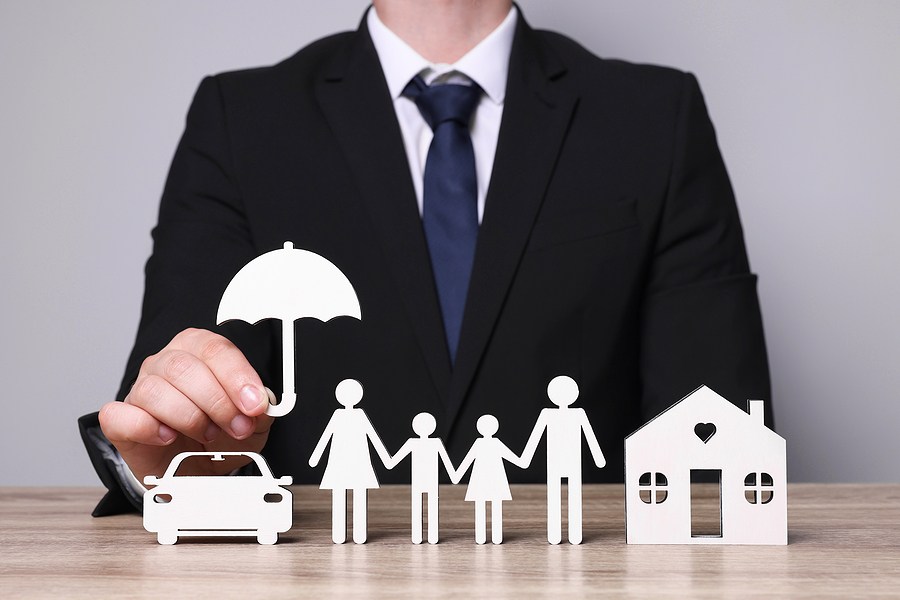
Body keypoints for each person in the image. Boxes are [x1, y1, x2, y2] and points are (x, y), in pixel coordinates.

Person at [79, 0, 771, 516]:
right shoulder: (239, 118)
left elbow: (717, 435)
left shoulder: (655, 116)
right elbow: (176, 391)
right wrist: (163, 459)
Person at [519, 375, 606, 545]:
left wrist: (598, 457)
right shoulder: (547, 414)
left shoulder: (578, 413)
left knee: (573, 495)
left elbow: (589, 435)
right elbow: (536, 436)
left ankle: (574, 534)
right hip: (556, 462)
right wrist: (526, 457)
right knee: (555, 496)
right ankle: (555, 534)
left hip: (572, 461)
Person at [308, 379, 392, 544]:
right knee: (341, 495)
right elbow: (327, 436)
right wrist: (316, 456)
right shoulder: (338, 415)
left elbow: (372, 436)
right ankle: (340, 534)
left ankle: (358, 534)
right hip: (340, 462)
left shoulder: (359, 415)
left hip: (357, 462)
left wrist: (385, 456)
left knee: (357, 495)